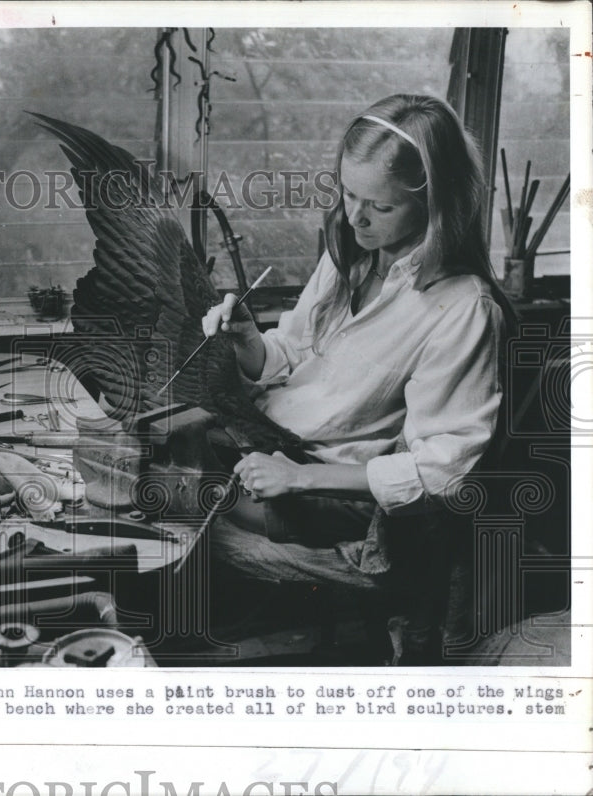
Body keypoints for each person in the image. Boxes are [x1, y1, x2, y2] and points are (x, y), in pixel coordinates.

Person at [201, 94, 513, 606]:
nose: (355, 218)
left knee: (181, 506)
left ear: (437, 200)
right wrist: (248, 340)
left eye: (380, 206)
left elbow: (443, 472)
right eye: (347, 194)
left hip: (335, 489)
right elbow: (293, 353)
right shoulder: (350, 253)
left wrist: (300, 477)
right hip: (273, 443)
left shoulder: (463, 308)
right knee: (156, 455)